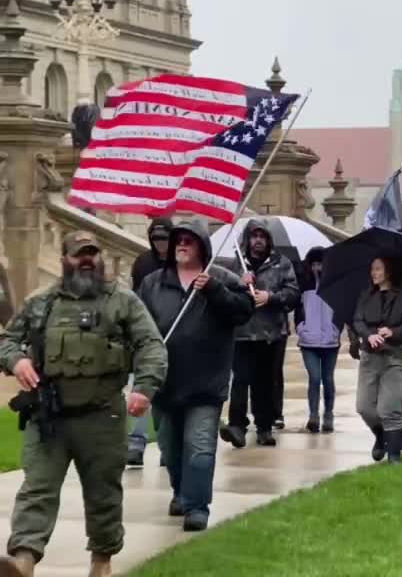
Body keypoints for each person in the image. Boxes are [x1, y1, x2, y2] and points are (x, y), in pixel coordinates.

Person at [0, 231, 168, 577]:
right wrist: (17, 361)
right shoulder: (41, 302)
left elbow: (151, 345)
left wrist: (144, 388)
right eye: (79, 255)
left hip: (102, 416)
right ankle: (23, 558)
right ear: (64, 260)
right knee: (37, 489)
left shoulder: (122, 301)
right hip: (49, 418)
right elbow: (7, 340)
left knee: (103, 494)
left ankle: (101, 561)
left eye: (92, 253)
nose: (87, 260)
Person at [138, 221, 254, 531]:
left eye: (189, 240)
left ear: (202, 246)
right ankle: (181, 492)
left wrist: (215, 291)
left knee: (199, 451)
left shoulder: (222, 279)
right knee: (171, 450)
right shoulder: (152, 284)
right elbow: (137, 326)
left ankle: (197, 506)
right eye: (179, 240)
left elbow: (243, 311)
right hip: (165, 383)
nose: (182, 245)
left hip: (206, 383)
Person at [220, 219, 299, 449]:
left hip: (271, 334)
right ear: (247, 239)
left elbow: (293, 294)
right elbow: (223, 296)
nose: (258, 241)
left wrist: (270, 297)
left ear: (268, 240)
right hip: (242, 333)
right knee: (240, 380)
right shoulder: (237, 265)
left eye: (262, 237)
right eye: (254, 236)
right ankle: (236, 425)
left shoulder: (281, 264)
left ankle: (264, 427)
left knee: (265, 382)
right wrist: (239, 283)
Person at [353, 256, 402, 464]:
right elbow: (358, 320)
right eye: (372, 269)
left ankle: (394, 456)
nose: (374, 273)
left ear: (388, 271)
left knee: (389, 408)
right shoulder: (365, 295)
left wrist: (393, 331)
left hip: (394, 358)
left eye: (378, 269)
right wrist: (367, 335)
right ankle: (380, 435)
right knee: (364, 406)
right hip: (370, 358)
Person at [125, 217, 172, 468]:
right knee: (140, 389)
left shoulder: (181, 263)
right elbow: (134, 297)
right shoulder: (143, 263)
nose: (160, 243)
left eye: (165, 238)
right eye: (156, 239)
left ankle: (167, 446)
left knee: (167, 396)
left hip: (173, 334)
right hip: (145, 335)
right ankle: (135, 444)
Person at [295, 247, 340, 434]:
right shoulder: (303, 284)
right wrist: (301, 329)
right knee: (314, 378)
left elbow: (341, 310)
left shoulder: (334, 285)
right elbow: (298, 311)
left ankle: (328, 414)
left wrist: (336, 329)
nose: (317, 267)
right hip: (308, 341)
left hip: (330, 341)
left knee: (328, 379)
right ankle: (313, 415)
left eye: (320, 264)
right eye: (313, 264)